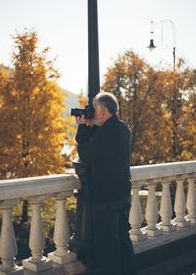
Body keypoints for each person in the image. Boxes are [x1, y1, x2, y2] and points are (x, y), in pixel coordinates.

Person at [75, 92, 138, 275]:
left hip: (105, 200)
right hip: (122, 196)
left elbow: (86, 155)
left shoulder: (106, 132)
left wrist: (82, 128)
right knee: (123, 243)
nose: (92, 112)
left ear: (102, 110)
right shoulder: (122, 128)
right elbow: (103, 146)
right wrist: (91, 126)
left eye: (94, 108)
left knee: (108, 249)